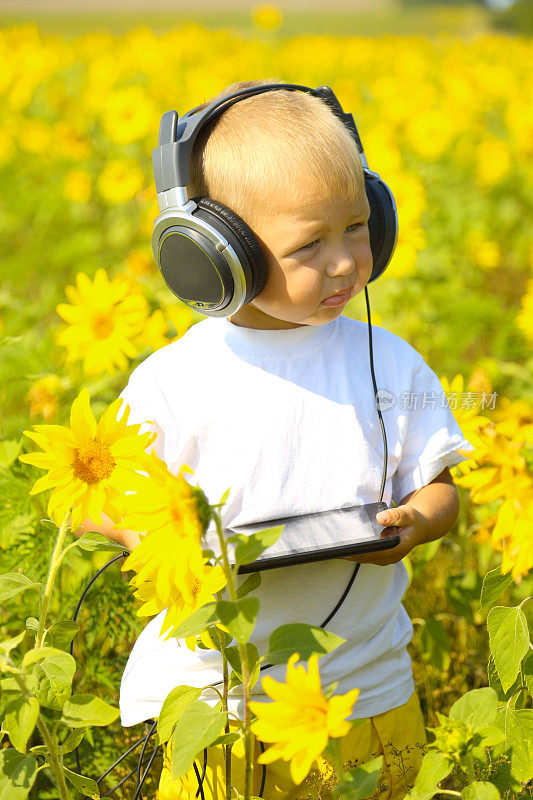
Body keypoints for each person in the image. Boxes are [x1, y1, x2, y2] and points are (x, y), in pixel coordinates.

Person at [78, 78, 474, 799]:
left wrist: (415, 521)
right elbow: (91, 500)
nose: (347, 262)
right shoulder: (174, 380)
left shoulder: (390, 361)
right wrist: (143, 537)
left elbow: (439, 491)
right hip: (215, 698)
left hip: (364, 689)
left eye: (356, 226)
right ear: (213, 255)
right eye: (309, 245)